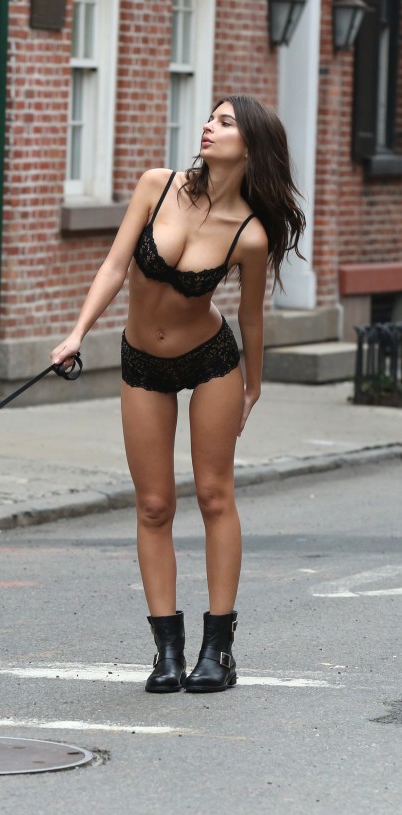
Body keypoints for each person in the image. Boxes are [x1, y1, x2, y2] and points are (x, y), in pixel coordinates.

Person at [51, 95, 305, 693]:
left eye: (225, 122)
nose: (208, 128)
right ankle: (167, 652)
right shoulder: (156, 186)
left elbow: (252, 319)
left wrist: (253, 386)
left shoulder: (249, 232)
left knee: (215, 497)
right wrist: (76, 333)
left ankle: (218, 649)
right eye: (210, 119)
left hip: (211, 360)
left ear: (252, 145)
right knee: (154, 506)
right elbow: (115, 266)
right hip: (141, 362)